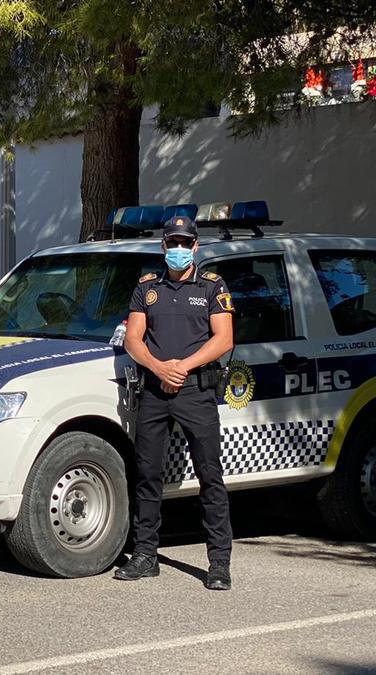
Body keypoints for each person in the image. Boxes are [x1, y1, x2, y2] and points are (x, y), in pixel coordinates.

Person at [117, 215, 235, 590]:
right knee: (147, 476)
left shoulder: (213, 286)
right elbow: (133, 339)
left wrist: (182, 367)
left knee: (209, 476)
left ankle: (218, 564)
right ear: (163, 246)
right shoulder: (147, 287)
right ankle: (145, 555)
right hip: (154, 390)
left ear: (196, 246)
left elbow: (224, 339)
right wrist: (158, 367)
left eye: (185, 243)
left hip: (195, 390)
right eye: (173, 243)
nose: (179, 250)